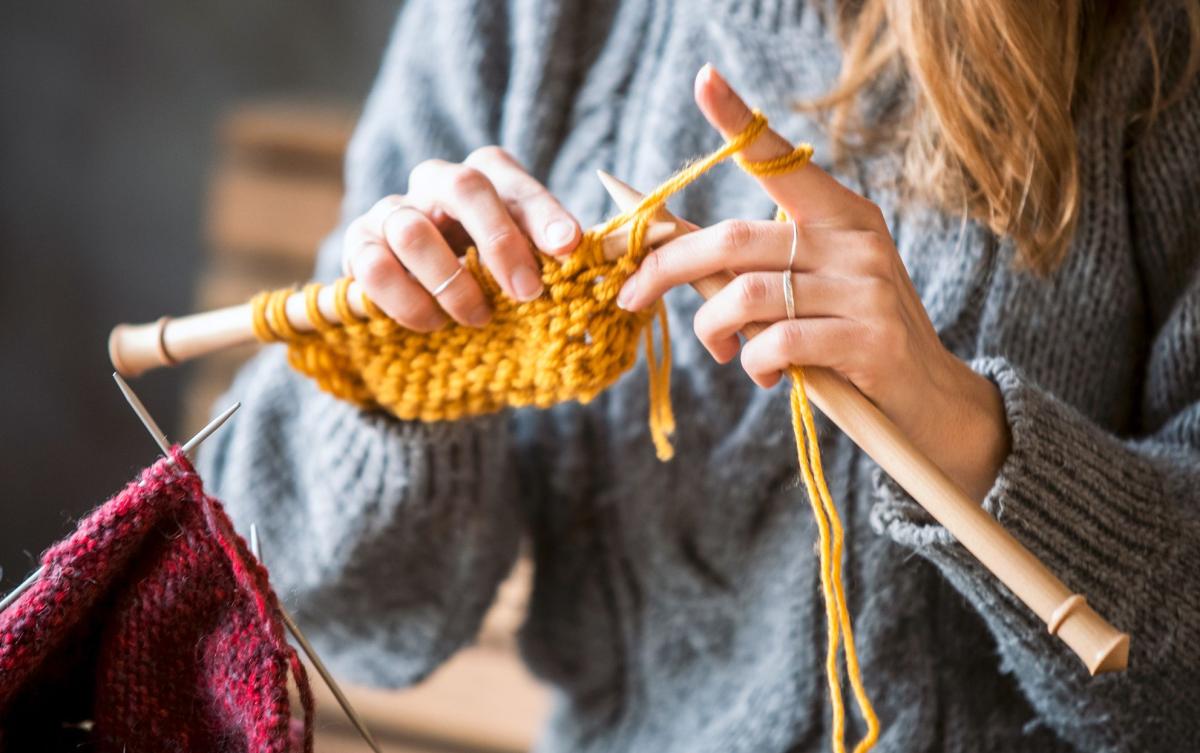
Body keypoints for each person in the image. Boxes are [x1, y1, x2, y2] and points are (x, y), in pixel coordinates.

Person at [200, 1, 1200, 750]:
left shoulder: (1159, 50)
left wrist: (960, 429)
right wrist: (397, 373)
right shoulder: (524, 19)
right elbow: (310, 614)